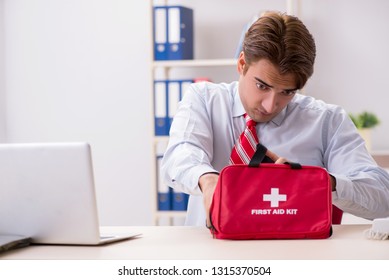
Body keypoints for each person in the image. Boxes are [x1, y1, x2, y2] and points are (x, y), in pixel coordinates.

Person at [161, 11, 389, 227]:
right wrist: (207, 179)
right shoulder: (203, 99)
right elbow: (179, 155)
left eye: (287, 92)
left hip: (293, 257)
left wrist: (318, 182)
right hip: (210, 254)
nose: (270, 105)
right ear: (242, 64)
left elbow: (383, 199)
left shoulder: (327, 121)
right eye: (262, 86)